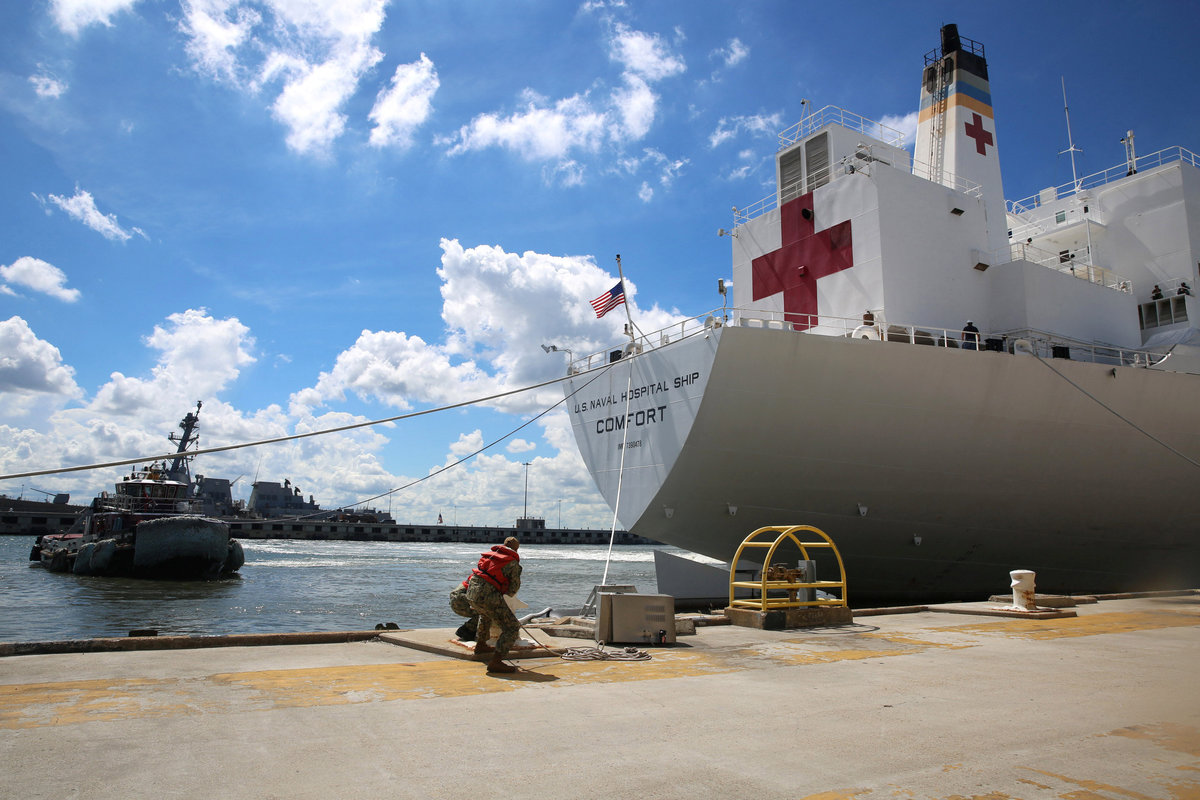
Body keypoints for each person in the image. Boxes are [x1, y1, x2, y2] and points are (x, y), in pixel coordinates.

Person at [461, 536, 523, 674]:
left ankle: (481, 645)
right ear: (516, 549)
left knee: (485, 614)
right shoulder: (513, 563)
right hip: (488, 597)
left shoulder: (489, 557)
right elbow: (513, 589)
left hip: (471, 594)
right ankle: (496, 662)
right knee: (512, 627)